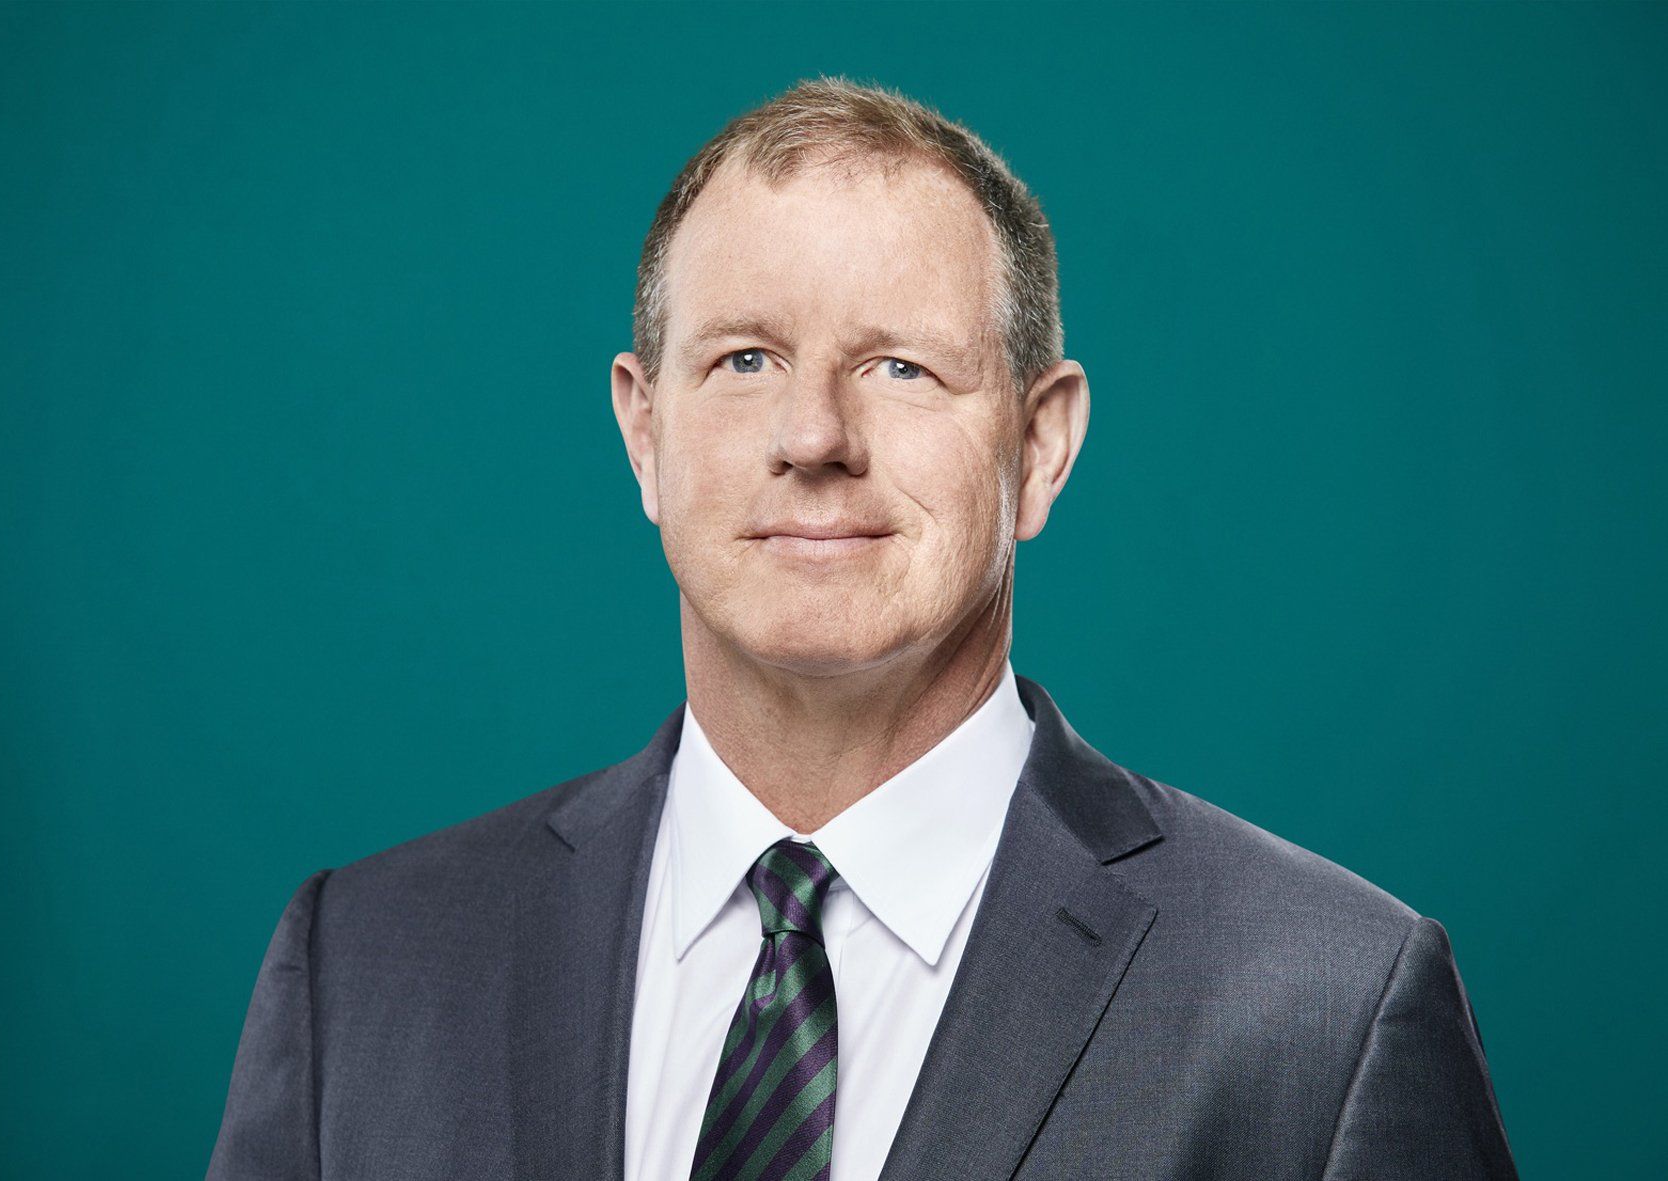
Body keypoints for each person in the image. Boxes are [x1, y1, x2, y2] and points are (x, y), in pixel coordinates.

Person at [207, 76, 1518, 1180]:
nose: (814, 436)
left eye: (901, 366)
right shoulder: (362, 964)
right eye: (744, 360)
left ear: (1040, 447)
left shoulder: (1324, 1006)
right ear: (643, 433)